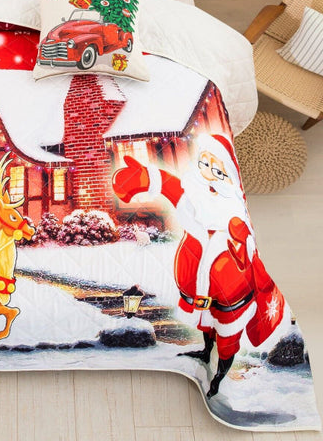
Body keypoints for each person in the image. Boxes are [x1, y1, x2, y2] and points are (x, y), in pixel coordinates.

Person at [112, 133, 285, 398]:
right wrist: (144, 177)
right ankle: (206, 351)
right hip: (198, 293)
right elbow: (167, 184)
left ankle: (219, 377)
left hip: (231, 297)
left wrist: (239, 240)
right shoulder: (193, 196)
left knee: (227, 333)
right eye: (204, 164)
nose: (207, 174)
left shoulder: (232, 211)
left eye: (217, 170)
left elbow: (244, 253)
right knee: (205, 321)